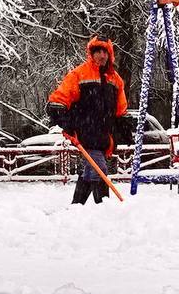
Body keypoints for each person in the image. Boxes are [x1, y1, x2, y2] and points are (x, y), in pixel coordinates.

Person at [47, 38, 129, 205]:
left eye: (105, 51)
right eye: (98, 51)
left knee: (91, 170)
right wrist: (66, 121)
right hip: (85, 131)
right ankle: (104, 208)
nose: (102, 55)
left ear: (110, 54)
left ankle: (77, 206)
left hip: (105, 135)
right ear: (91, 54)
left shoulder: (115, 80)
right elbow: (59, 99)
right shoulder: (79, 74)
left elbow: (121, 109)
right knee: (100, 170)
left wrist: (123, 128)